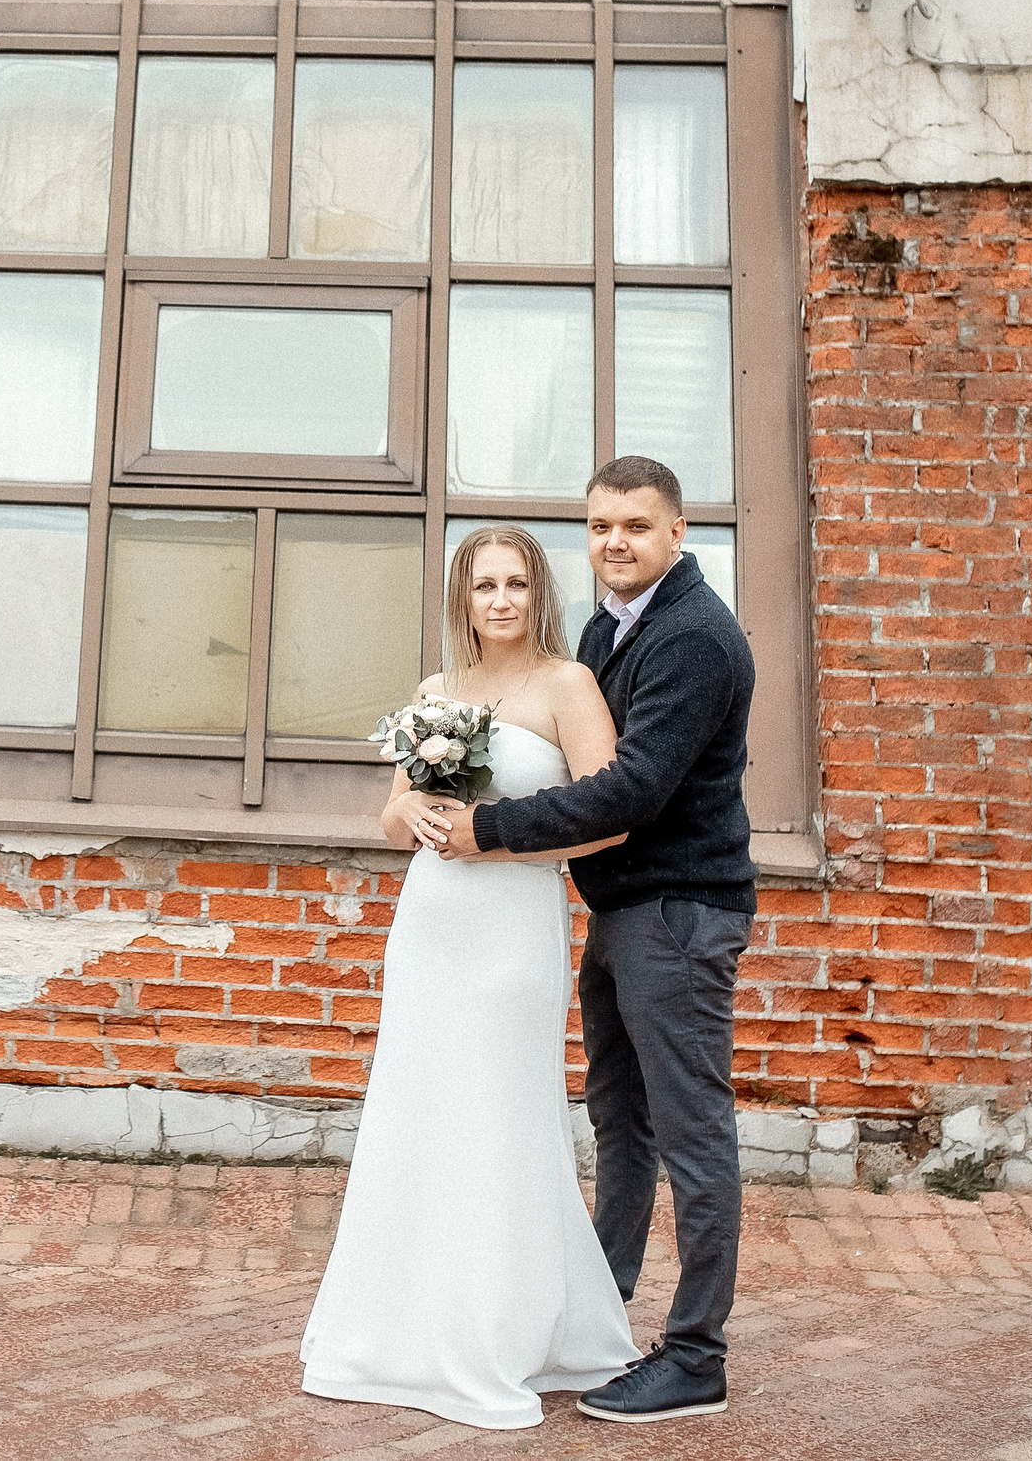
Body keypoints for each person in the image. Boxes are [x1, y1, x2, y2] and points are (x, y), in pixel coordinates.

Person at [434, 454, 757, 1425]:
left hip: (679, 912)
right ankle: (597, 1314)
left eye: (636, 524)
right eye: (601, 524)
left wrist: (485, 829)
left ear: (676, 532)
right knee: (624, 1125)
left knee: (692, 1135)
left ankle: (694, 1354)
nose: (615, 540)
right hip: (624, 914)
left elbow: (630, 790)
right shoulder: (609, 629)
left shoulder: (695, 637)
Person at [298, 524, 638, 1430]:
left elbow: (609, 820)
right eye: (485, 585)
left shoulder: (569, 686)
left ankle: (500, 1331)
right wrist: (408, 805)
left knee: (499, 1115)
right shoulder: (435, 693)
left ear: (538, 596)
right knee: (419, 1110)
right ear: (465, 596)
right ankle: (403, 1329)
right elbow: (390, 815)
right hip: (432, 925)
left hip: (514, 924)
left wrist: (499, 841)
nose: (500, 601)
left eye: (517, 585)